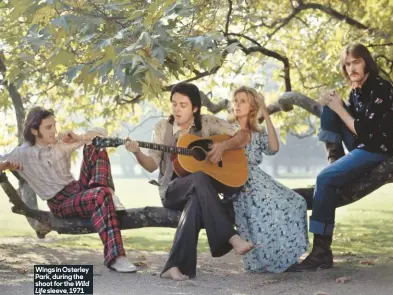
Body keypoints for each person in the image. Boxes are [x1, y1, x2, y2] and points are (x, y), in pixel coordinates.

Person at [125, 82, 254, 280]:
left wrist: (224, 146)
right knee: (199, 178)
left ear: (194, 108)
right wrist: (136, 152)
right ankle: (231, 236)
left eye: (183, 105)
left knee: (195, 201)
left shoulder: (208, 123)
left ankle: (173, 267)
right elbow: (151, 165)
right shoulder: (163, 128)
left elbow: (244, 135)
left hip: (199, 192)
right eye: (174, 104)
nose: (177, 109)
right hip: (172, 191)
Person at [295, 43, 393, 271]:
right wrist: (337, 104)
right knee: (329, 109)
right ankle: (337, 163)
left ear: (367, 63)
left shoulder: (381, 88)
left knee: (324, 179)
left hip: (378, 149)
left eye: (356, 62)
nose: (352, 68)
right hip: (362, 145)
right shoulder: (356, 90)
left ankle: (321, 252)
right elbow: (348, 123)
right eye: (347, 64)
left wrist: (340, 108)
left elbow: (365, 131)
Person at [0, 107, 135, 272]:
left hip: (79, 189)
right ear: (34, 130)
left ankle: (106, 194)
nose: (54, 131)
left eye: (54, 125)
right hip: (60, 202)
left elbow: (101, 133)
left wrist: (80, 137)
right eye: (48, 127)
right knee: (100, 194)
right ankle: (116, 258)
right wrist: (6, 165)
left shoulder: (61, 143)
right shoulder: (22, 153)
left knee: (95, 144)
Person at [229, 86, 308, 273]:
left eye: (243, 101)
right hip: (238, 179)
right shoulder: (226, 128)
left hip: (258, 178)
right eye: (236, 100)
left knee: (296, 202)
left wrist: (265, 110)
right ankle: (264, 261)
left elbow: (273, 148)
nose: (238, 104)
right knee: (263, 211)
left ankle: (286, 258)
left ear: (252, 107)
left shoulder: (258, 130)